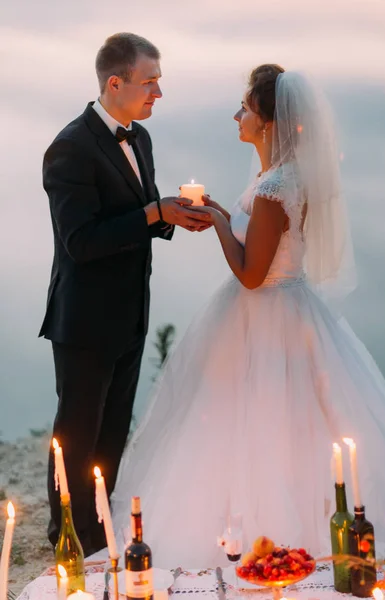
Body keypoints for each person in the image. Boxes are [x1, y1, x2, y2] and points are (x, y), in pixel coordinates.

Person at [111, 65, 385, 567]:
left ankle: (268, 543)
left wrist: (222, 224)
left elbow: (251, 274)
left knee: (255, 422)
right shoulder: (278, 177)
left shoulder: (275, 186)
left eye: (245, 107)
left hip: (267, 313)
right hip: (288, 308)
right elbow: (264, 236)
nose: (236, 115)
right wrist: (226, 213)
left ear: (268, 122)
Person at [39, 32, 211, 555]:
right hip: (84, 323)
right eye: (149, 82)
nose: (158, 92)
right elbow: (82, 241)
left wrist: (174, 214)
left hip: (130, 316)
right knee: (76, 438)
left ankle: (100, 537)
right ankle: (67, 543)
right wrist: (153, 212)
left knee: (112, 435)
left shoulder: (140, 137)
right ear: (115, 83)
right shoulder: (69, 148)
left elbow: (138, 215)